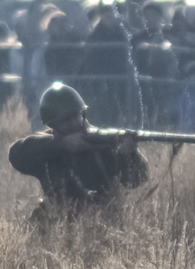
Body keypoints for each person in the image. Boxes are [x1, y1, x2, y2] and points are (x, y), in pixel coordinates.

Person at [8, 82, 148, 216]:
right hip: (59, 218)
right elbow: (16, 155)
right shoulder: (47, 146)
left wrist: (129, 154)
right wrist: (61, 146)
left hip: (99, 219)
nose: (74, 123)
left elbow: (137, 180)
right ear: (52, 124)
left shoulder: (102, 140)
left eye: (76, 116)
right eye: (65, 120)